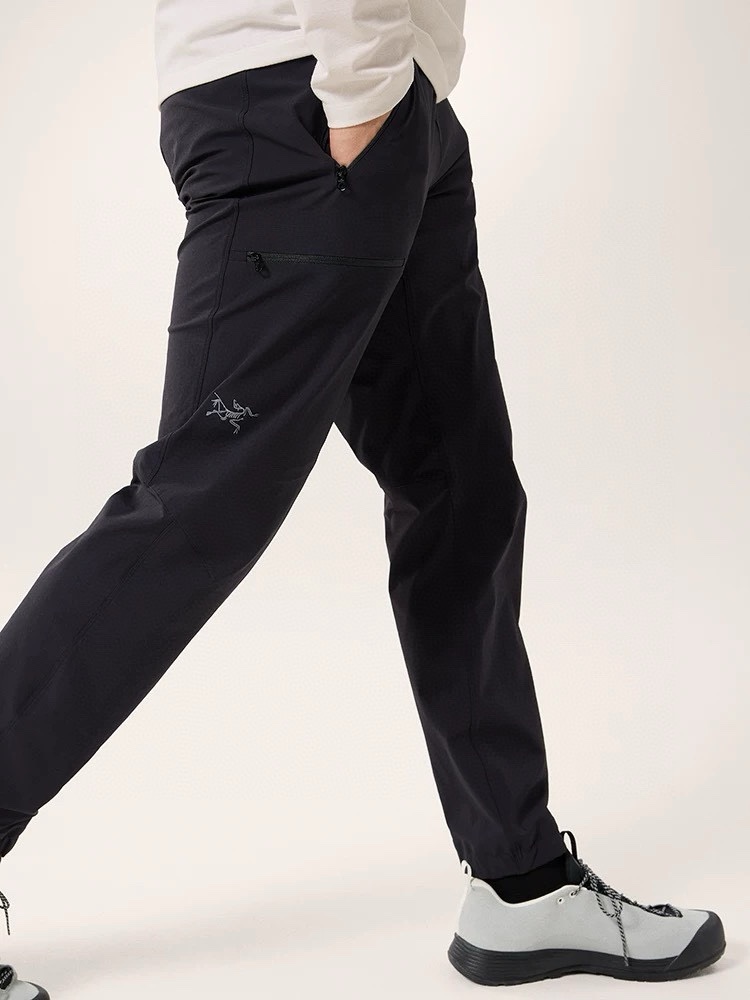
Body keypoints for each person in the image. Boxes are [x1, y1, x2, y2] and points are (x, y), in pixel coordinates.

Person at [0, 2, 725, 995]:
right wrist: (362, 94)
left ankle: (520, 881)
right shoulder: (342, 89)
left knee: (463, 490)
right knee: (197, 506)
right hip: (313, 100)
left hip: (382, 101)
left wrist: (394, 96)